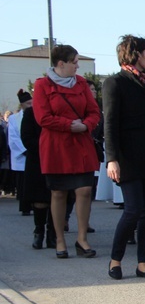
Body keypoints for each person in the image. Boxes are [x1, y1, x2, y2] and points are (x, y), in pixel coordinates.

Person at [103, 35, 145, 280]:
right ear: (136, 55)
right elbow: (110, 123)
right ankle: (115, 260)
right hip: (127, 158)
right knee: (133, 210)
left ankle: (142, 264)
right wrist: (112, 158)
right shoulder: (114, 83)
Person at [33, 45, 100, 259]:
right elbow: (42, 117)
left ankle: (82, 239)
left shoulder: (81, 84)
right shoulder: (42, 85)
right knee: (58, 193)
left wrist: (86, 125)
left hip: (81, 144)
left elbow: (94, 111)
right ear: (61, 64)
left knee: (84, 191)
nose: (78, 66)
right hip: (56, 147)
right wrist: (69, 125)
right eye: (74, 62)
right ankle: (60, 239)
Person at [19, 90, 54, 249]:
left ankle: (53, 234)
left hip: (57, 159)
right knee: (40, 199)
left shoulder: (57, 112)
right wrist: (44, 146)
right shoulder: (31, 113)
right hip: (37, 160)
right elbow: (26, 138)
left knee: (57, 197)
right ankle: (39, 232)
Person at [8, 93, 32, 215]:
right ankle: (25, 207)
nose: (31, 106)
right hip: (22, 155)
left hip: (33, 152)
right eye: (28, 104)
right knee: (23, 182)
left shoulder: (35, 115)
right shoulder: (13, 118)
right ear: (22, 105)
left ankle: (35, 204)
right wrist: (24, 150)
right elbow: (13, 137)